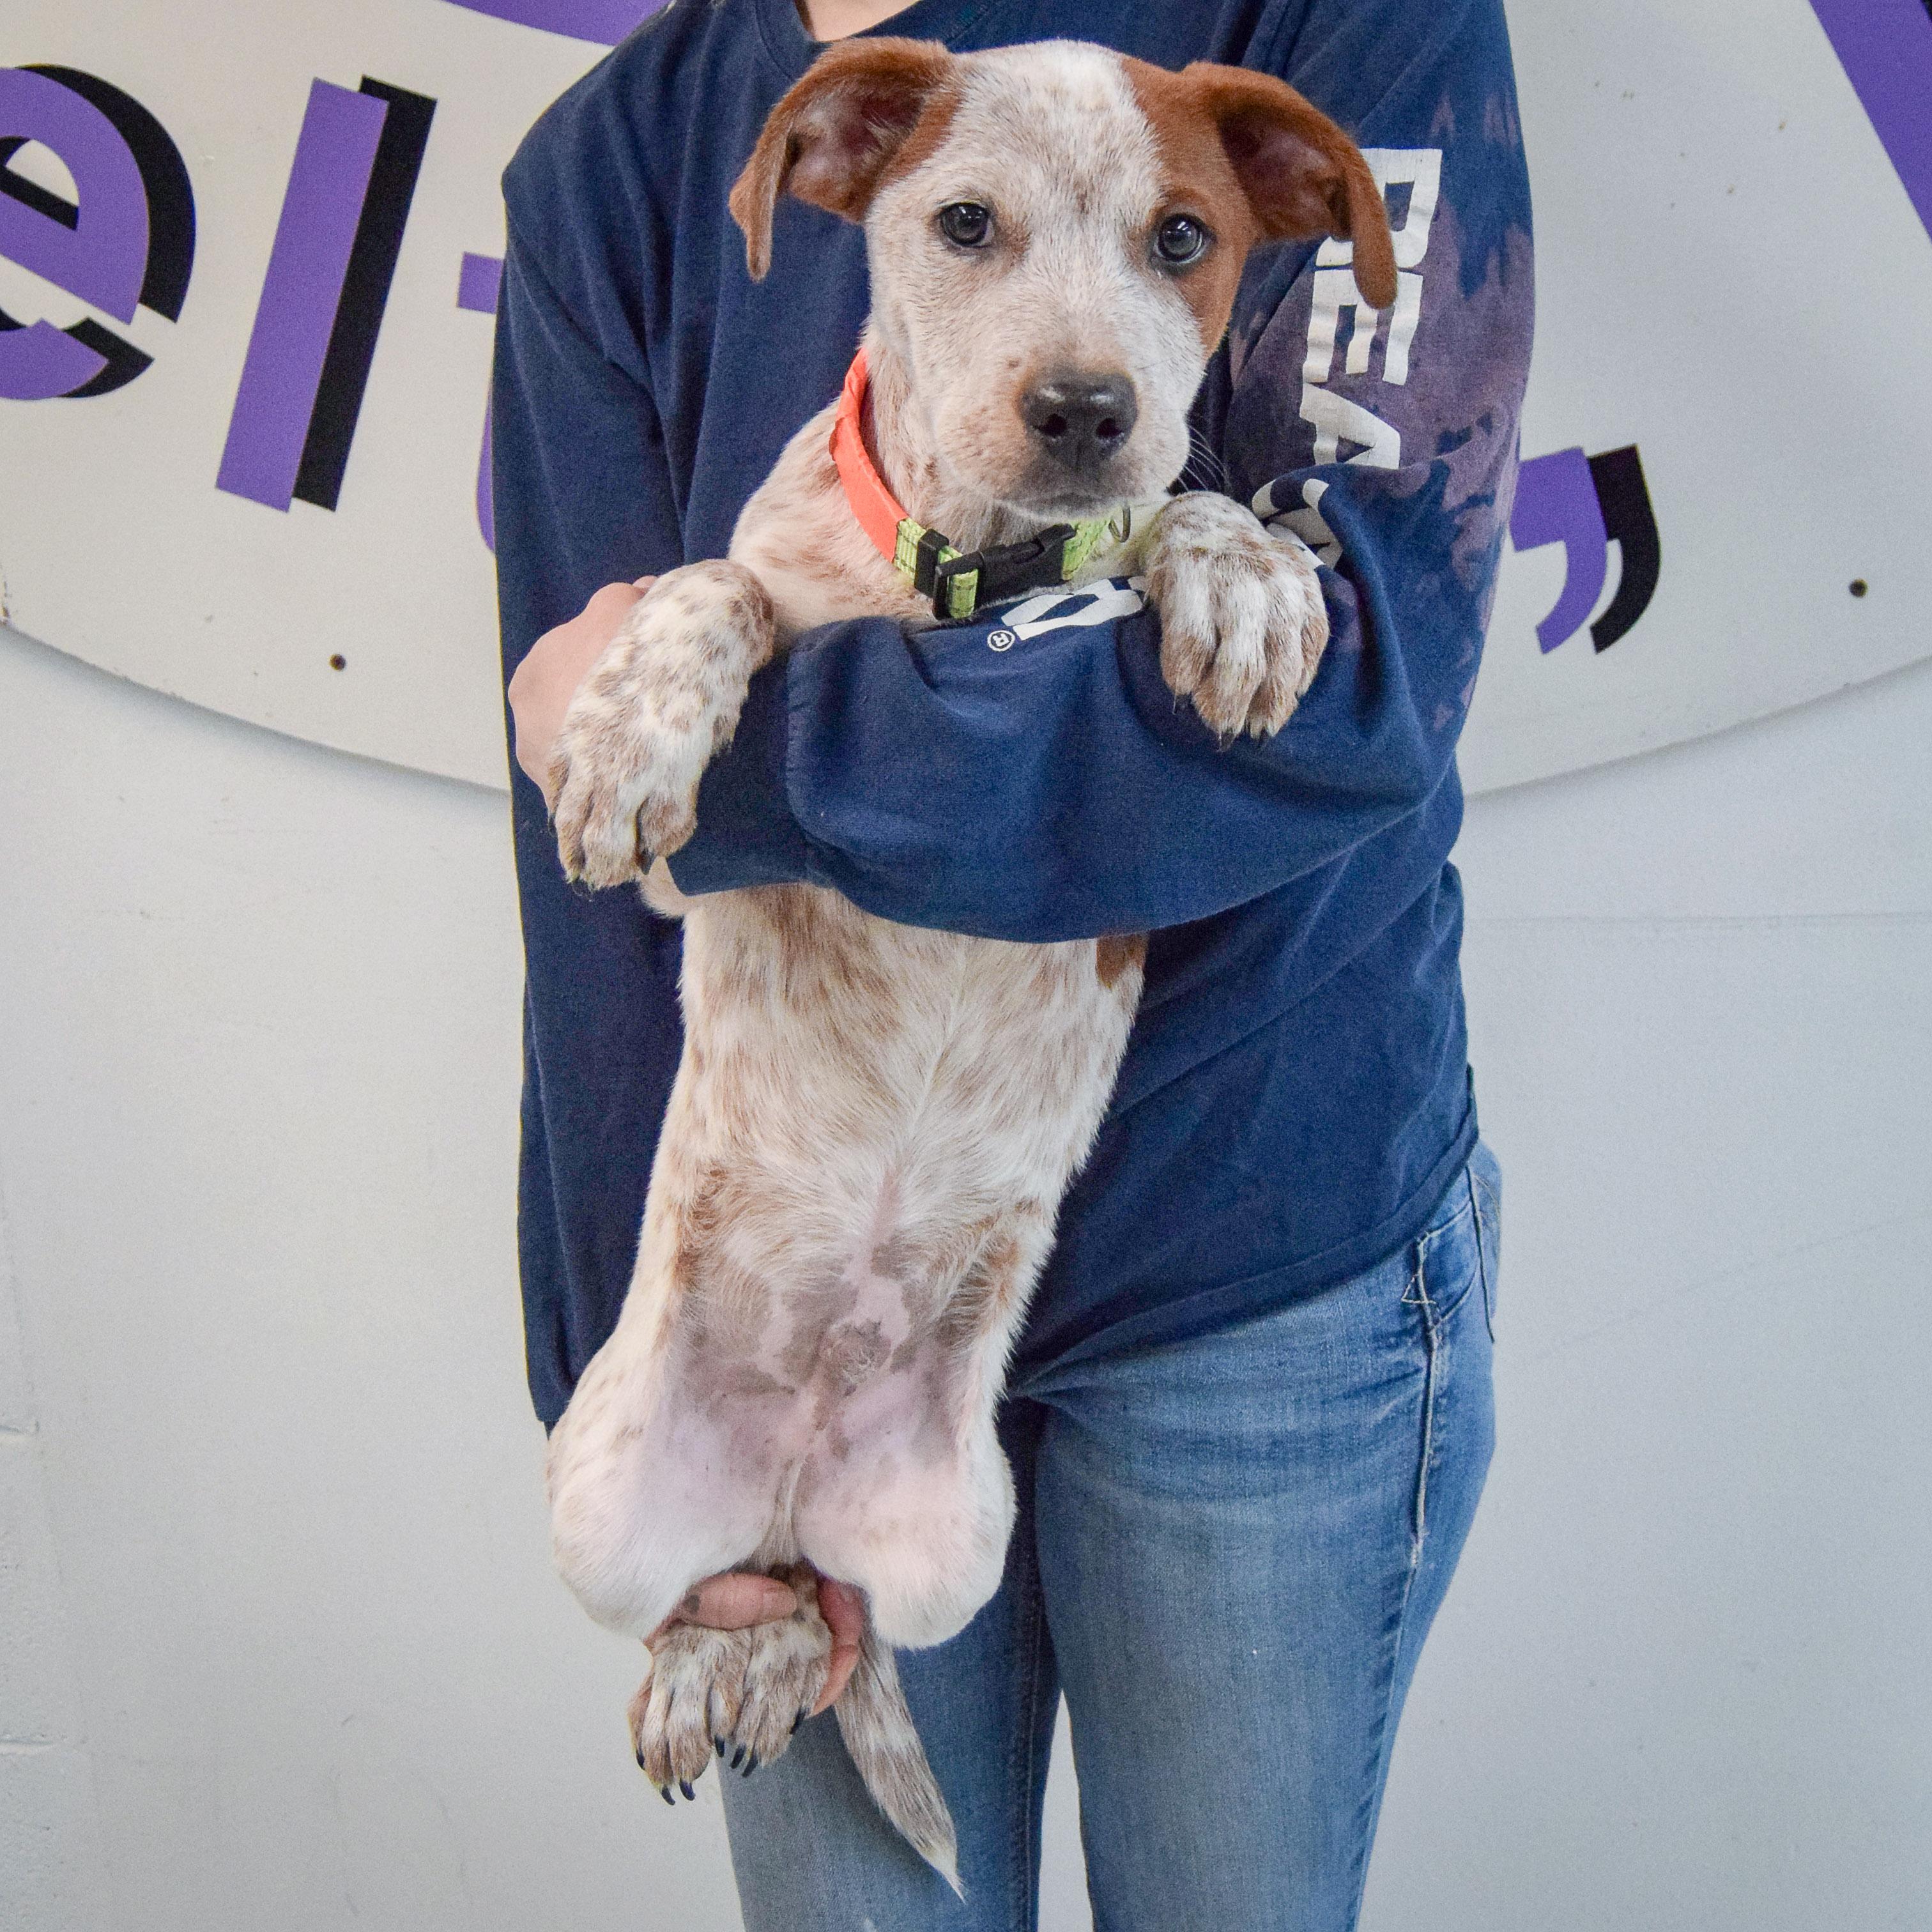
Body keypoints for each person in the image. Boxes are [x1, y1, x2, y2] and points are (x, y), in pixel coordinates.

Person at [493, 0, 1529, 1924]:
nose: (1078, 364)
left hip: (1261, 1253)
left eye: (1166, 244)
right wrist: (637, 1371)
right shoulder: (616, 163)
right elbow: (590, 809)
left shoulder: (1330, 25)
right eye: (971, 230)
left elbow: (1358, 684)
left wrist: (770, 766)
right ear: (837, 183)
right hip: (799, 1311)